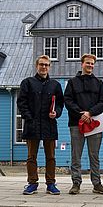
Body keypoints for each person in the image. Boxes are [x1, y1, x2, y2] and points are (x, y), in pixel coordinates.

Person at [17, 55, 64, 195]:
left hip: (49, 124)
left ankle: (51, 184)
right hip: (32, 125)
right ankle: (32, 183)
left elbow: (60, 104)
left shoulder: (55, 85)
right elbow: (21, 103)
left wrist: (56, 112)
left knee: (51, 157)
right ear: (36, 66)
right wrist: (29, 118)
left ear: (49, 67)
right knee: (32, 156)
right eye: (41, 64)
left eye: (46, 65)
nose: (44, 67)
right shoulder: (27, 83)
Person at [64, 54, 103, 195]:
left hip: (95, 123)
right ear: (81, 64)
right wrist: (81, 114)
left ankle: (97, 184)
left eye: (92, 64)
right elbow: (68, 100)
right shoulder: (72, 82)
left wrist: (90, 113)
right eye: (88, 63)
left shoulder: (99, 83)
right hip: (76, 123)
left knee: (94, 155)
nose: (90, 65)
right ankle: (76, 183)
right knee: (75, 155)